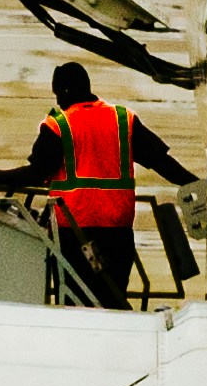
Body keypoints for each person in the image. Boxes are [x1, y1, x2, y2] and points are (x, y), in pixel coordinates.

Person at [18, 61, 191, 308]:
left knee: (76, 300)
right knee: (113, 297)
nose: (57, 102)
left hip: (75, 232)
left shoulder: (59, 125)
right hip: (117, 231)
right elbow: (161, 162)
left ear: (66, 91)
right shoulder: (122, 119)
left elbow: (35, 174)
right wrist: (194, 183)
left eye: (58, 94)